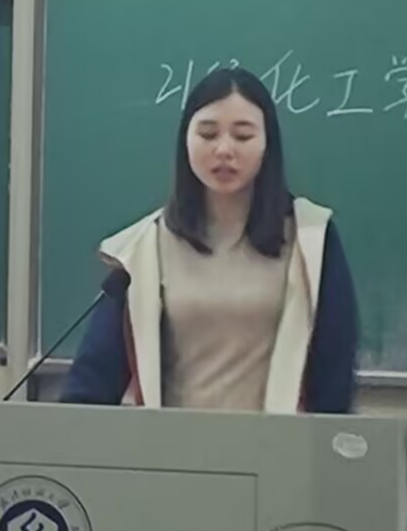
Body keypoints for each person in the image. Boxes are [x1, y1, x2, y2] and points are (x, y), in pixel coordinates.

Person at [58, 65, 358, 413]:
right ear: (185, 140)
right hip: (172, 444)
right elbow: (93, 381)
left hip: (280, 444)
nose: (224, 149)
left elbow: (334, 373)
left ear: (268, 144)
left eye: (243, 136)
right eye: (208, 134)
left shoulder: (312, 238)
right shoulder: (143, 246)